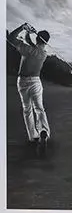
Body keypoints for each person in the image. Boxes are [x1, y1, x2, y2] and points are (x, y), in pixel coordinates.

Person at [6, 22, 52, 150]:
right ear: (46, 42)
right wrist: (28, 33)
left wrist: (23, 27)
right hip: (36, 82)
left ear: (37, 39)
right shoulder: (43, 53)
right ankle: (44, 130)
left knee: (27, 109)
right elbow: (33, 45)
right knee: (39, 108)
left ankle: (33, 136)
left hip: (23, 81)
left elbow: (10, 38)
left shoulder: (27, 50)